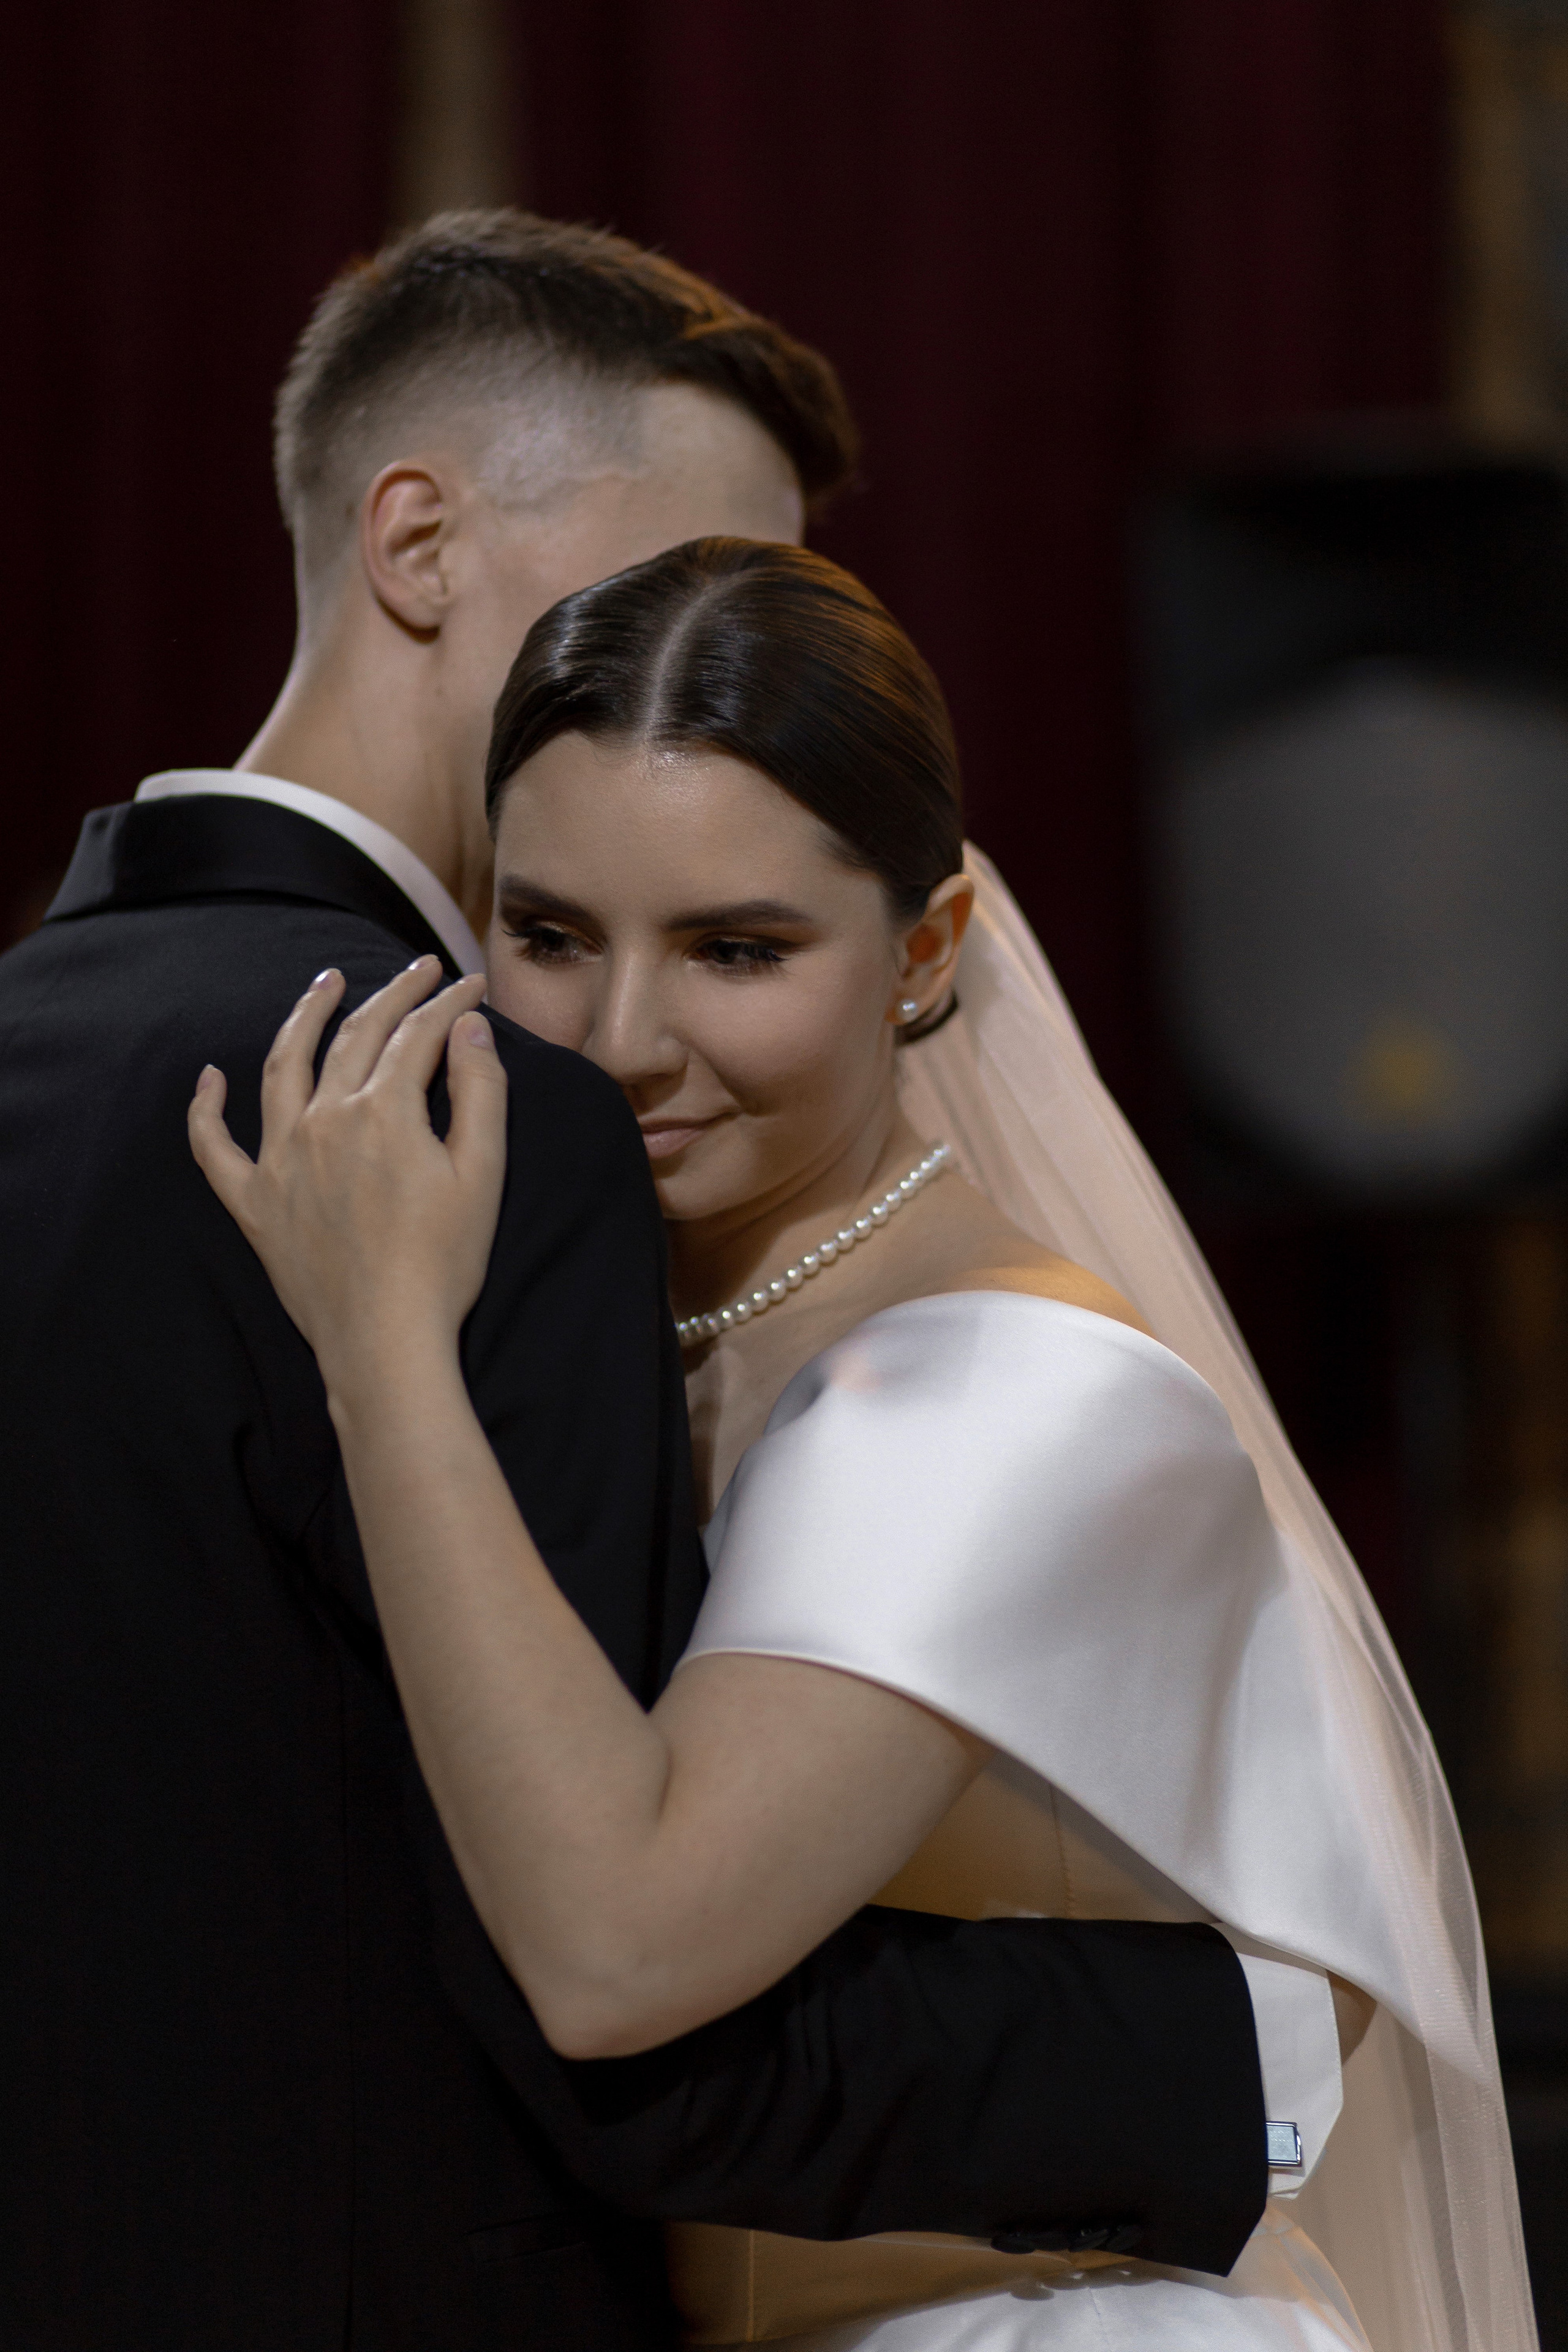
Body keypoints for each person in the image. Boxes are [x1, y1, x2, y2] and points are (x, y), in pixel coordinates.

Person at [0, 217, 1278, 2352]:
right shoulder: (492, 1117)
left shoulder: (35, 1044)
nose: (714, 649)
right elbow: (596, 1989)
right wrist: (1251, 2044)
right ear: (418, 540)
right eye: (672, 577)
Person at [189, 535, 1537, 2352]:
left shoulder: (1004, 1389)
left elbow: (621, 1951)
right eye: (553, 935)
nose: (627, 1043)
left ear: (924, 951)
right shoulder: (642, 1320)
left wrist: (380, 1349)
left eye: (737, 950)